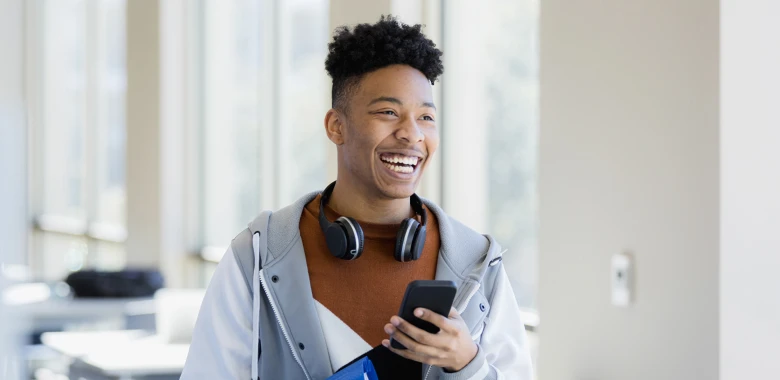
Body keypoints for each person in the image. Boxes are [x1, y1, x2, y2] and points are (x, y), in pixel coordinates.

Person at [181, 16, 533, 380]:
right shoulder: (258, 256)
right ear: (336, 126)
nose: (412, 134)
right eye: (388, 112)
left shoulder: (477, 263)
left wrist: (469, 364)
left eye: (426, 117)